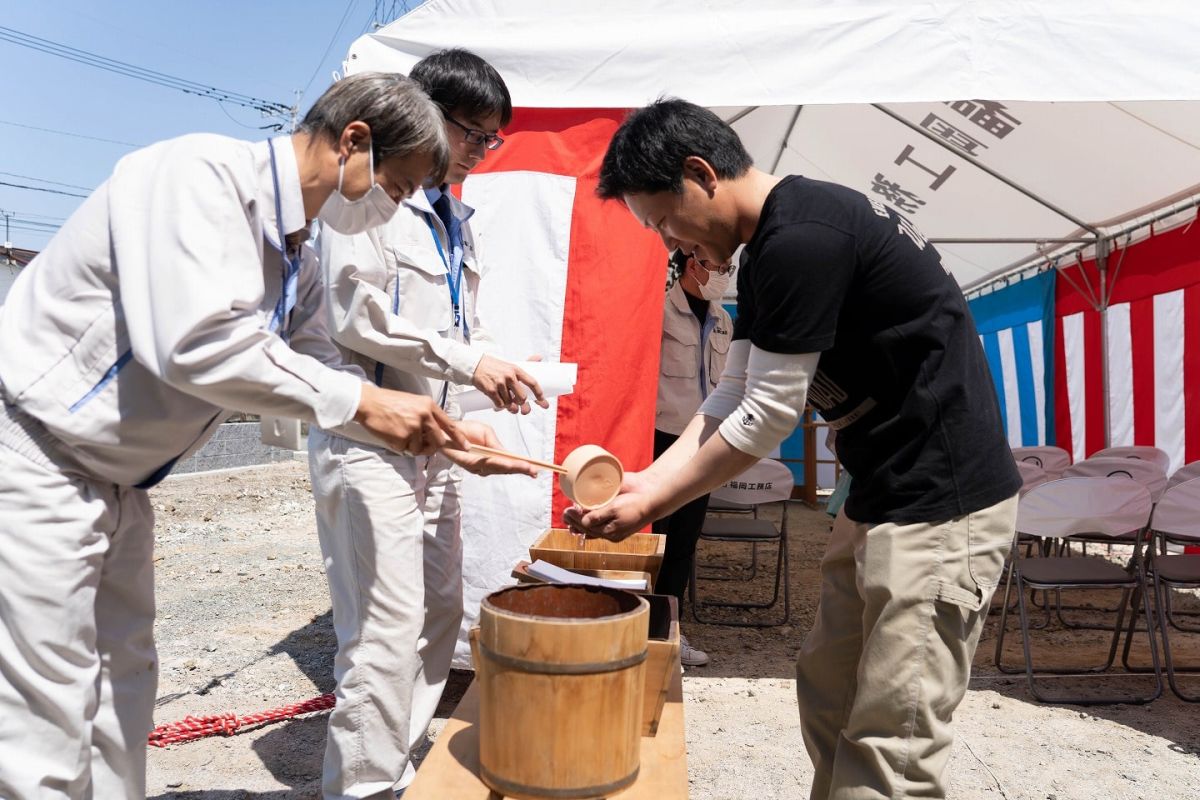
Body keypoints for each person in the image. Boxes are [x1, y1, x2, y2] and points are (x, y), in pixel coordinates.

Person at [0, 72, 525, 800]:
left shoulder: (297, 250)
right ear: (354, 142)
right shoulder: (197, 176)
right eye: (396, 188)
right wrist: (368, 406)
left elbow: (317, 357)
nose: (390, 211)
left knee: (122, 695)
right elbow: (199, 343)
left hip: (120, 484)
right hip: (41, 461)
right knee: (45, 718)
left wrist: (440, 431)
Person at [570, 98, 1021, 800]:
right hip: (882, 492)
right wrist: (645, 481)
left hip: (942, 503)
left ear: (700, 174)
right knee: (831, 692)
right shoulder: (768, 251)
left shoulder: (802, 236)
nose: (671, 245)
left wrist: (653, 501)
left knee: (891, 744)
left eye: (664, 222)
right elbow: (730, 393)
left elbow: (769, 413)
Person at [310, 49, 545, 799]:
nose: (479, 149)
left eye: (491, 136)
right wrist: (466, 357)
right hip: (365, 437)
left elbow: (445, 331)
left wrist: (476, 404)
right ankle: (363, 788)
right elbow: (354, 312)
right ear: (421, 115)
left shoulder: (454, 217)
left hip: (432, 440)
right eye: (472, 131)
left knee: (439, 608)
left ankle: (400, 763)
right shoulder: (365, 197)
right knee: (382, 628)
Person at [652, 249, 732, 667]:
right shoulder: (658, 312)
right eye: (717, 266)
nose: (722, 274)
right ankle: (639, 632)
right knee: (653, 541)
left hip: (702, 445)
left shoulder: (724, 320)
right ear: (691, 264)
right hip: (661, 441)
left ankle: (669, 634)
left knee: (683, 545)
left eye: (727, 268)